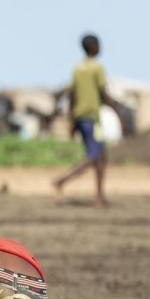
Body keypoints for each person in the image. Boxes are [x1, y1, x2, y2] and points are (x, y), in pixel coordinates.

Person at [51, 34, 124, 208]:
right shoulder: (96, 68)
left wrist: (71, 120)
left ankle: (99, 196)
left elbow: (72, 95)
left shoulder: (77, 68)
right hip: (91, 117)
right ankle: (61, 180)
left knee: (102, 157)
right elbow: (102, 93)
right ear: (93, 47)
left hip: (80, 116)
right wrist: (118, 112)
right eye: (98, 45)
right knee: (93, 156)